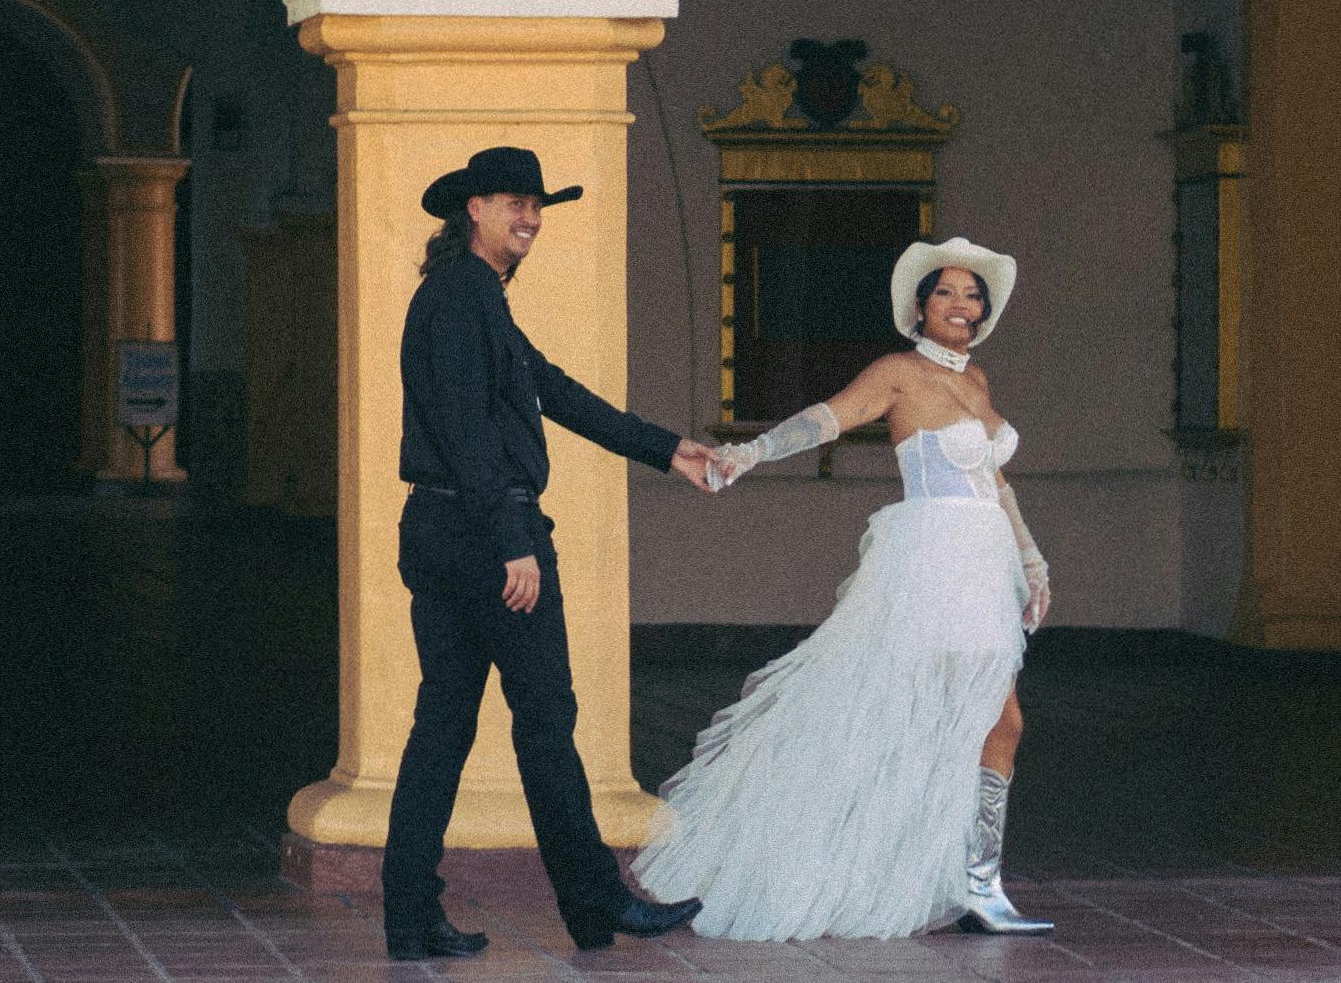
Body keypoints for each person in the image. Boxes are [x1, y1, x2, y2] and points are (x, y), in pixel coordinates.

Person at [641, 236, 1051, 938]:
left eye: (972, 293)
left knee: (995, 718)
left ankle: (979, 881)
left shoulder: (975, 380)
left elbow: (993, 477)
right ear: (919, 308)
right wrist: (747, 452)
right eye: (946, 292)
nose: (962, 304)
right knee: (904, 711)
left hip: (985, 563)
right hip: (930, 557)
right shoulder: (898, 371)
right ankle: (849, 862)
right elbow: (824, 418)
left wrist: (1032, 559)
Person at [379, 143, 726, 960]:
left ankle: (409, 913)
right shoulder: (462, 297)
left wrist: (664, 447)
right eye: (512, 201)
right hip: (482, 535)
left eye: (536, 204)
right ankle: (597, 899)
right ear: (473, 207)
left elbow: (552, 387)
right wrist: (512, 542)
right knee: (544, 720)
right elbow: (468, 432)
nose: (529, 216)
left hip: (441, 531)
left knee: (443, 724)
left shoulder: (470, 295)